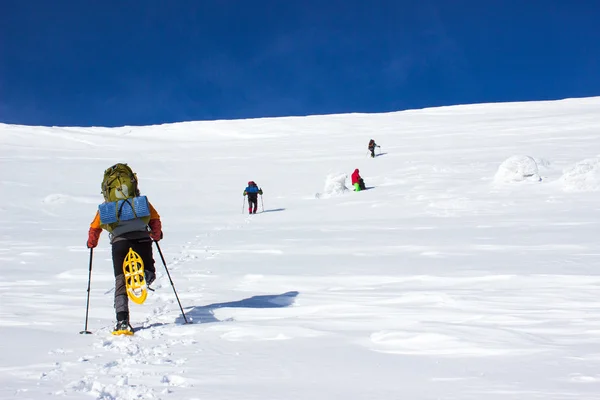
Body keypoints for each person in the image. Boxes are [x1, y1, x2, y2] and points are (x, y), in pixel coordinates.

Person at [86, 165, 162, 334]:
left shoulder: (108, 206)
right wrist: (156, 235)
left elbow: (94, 227)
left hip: (119, 242)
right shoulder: (140, 202)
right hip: (142, 238)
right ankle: (144, 276)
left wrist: (92, 243)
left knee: (120, 280)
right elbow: (155, 219)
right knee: (149, 268)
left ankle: (122, 321)